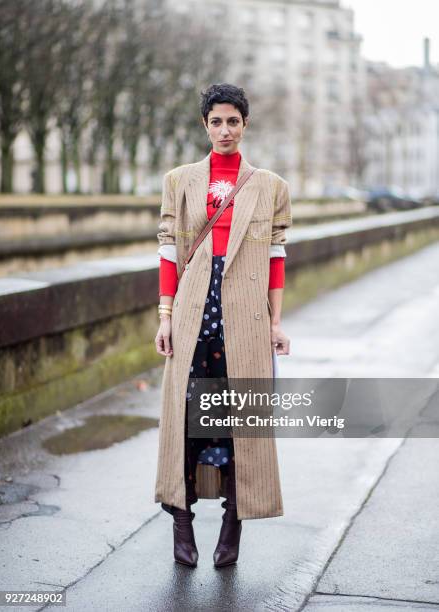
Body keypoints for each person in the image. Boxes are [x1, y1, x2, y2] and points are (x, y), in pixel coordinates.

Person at [154, 83, 292, 568]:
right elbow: (170, 251)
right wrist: (165, 316)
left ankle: (233, 526)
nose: (225, 129)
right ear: (205, 125)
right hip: (194, 313)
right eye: (216, 121)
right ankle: (181, 522)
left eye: (233, 121)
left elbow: (276, 256)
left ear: (245, 125)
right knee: (186, 424)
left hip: (245, 316)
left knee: (239, 426)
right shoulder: (180, 180)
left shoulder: (270, 185)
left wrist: (276, 322)